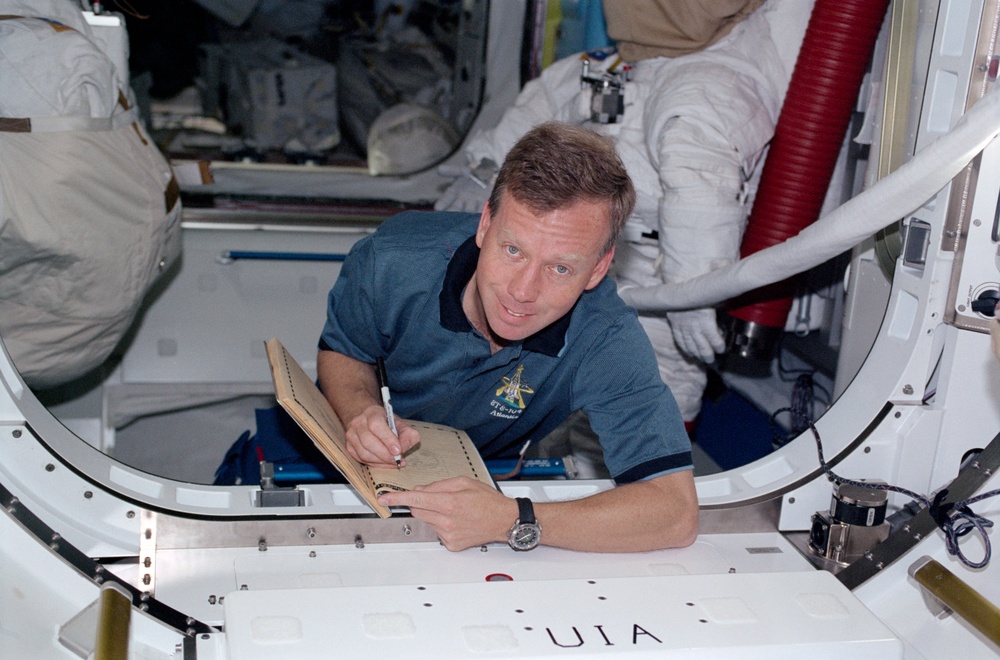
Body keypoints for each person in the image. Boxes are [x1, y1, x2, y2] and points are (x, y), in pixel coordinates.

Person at [317, 122, 698, 553]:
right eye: (513, 250)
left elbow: (675, 511)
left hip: (493, 479)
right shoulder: (392, 260)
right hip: (348, 464)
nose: (522, 291)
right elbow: (344, 351)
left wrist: (513, 518)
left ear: (597, 269)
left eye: (560, 268)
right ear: (484, 225)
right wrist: (358, 413)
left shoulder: (605, 337)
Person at [436, 0, 813, 433]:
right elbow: (533, 118)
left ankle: (633, 487)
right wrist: (481, 172)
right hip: (577, 259)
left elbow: (700, 197)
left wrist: (692, 295)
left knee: (642, 405)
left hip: (659, 284)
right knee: (549, 390)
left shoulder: (711, 85)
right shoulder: (613, 65)